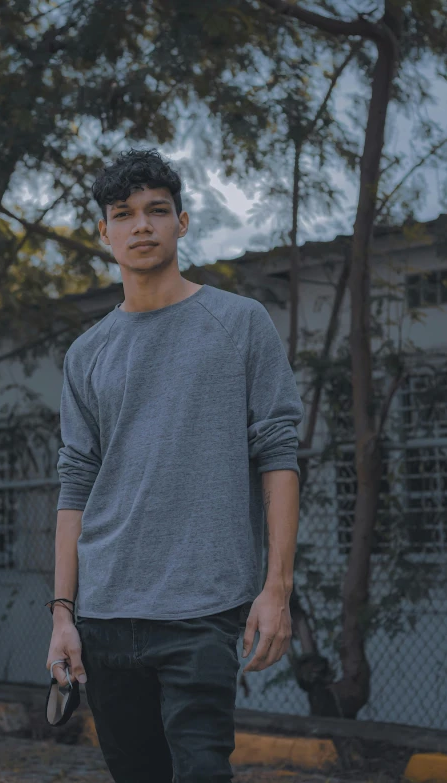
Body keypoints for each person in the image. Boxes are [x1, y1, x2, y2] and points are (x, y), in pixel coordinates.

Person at [46, 148, 304, 783]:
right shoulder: (88, 353)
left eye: (156, 211)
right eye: (123, 214)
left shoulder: (239, 324)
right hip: (105, 614)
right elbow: (75, 482)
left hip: (203, 606)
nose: (141, 226)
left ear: (181, 223)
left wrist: (277, 589)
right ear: (103, 232)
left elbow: (278, 455)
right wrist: (62, 614)